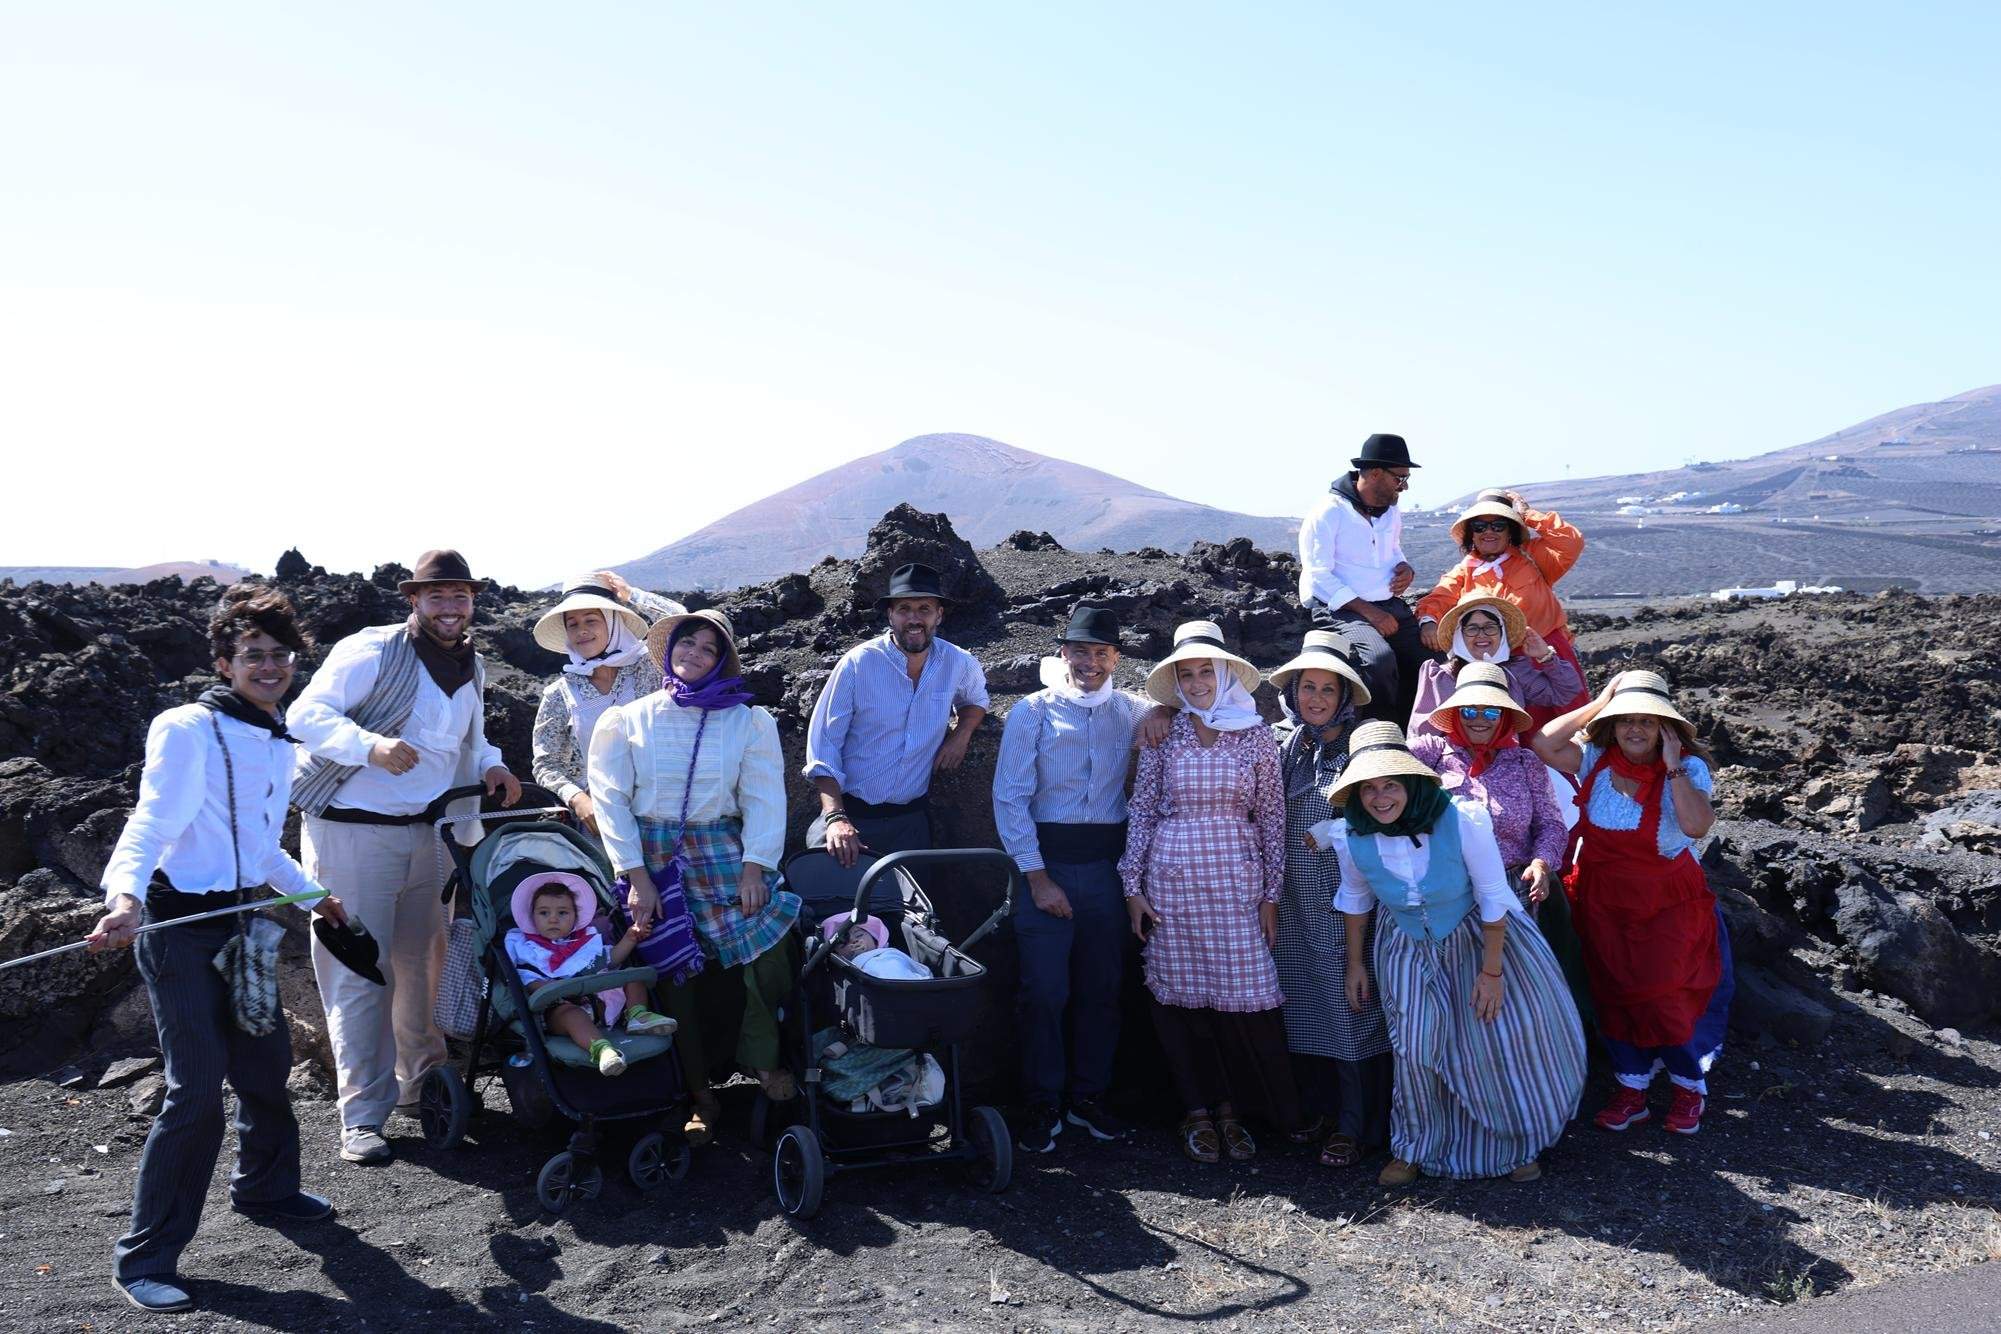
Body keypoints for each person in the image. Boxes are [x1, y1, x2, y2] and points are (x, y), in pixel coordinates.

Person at [89, 585, 348, 1314]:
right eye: (253, 656)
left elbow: (259, 848)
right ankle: (144, 1258)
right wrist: (125, 900)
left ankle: (266, 1187)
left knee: (265, 1066)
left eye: (279, 655)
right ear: (223, 662)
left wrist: (312, 896)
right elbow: (148, 824)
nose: (269, 667)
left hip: (249, 927)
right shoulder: (186, 727)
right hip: (179, 932)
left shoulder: (273, 732)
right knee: (195, 1090)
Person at [289, 549, 521, 1166]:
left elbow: (467, 741)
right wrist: (370, 747)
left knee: (425, 962)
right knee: (360, 969)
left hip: (429, 831)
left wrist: (491, 764)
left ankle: (422, 1088)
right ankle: (361, 1118)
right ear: (413, 600)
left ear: (472, 602)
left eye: (460, 596)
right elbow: (304, 714)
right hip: (351, 831)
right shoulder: (372, 650)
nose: (450, 606)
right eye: (437, 595)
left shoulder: (470, 664)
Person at [1312, 722, 1585, 1186]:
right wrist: (1355, 964)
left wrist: (1492, 972)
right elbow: (1356, 901)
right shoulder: (1352, 837)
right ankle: (1414, 1147)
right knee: (1415, 1048)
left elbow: (1494, 894)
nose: (1380, 798)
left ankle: (1511, 1143)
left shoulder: (1462, 819)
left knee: (1487, 1043)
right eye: (1369, 788)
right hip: (1403, 943)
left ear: (1412, 782)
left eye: (1390, 784)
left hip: (1478, 936)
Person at [590, 608, 799, 1144]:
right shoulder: (627, 720)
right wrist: (636, 878)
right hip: (651, 858)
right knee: (671, 973)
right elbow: (611, 803)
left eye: (708, 648)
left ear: (722, 660)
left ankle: (763, 1061)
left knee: (768, 947)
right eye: (687, 643)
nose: (694, 654)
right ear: (669, 650)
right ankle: (699, 1094)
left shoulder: (749, 721)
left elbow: (762, 797)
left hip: (722, 850)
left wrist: (756, 868)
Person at [1119, 621, 1299, 1164]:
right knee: (1179, 1001)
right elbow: (1143, 810)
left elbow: (1272, 817)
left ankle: (1235, 1110)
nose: (1196, 683)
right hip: (1171, 883)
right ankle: (1196, 1111)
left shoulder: (1257, 735)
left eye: (1205, 671)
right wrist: (1132, 886)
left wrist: (1271, 894)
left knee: (1242, 999)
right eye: (1186, 674)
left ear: (1224, 674)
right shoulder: (1162, 734)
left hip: (1237, 885)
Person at [992, 604, 1161, 1153]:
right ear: (1062, 651)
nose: (1091, 662)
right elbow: (1011, 797)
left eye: (1103, 652)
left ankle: (1090, 1096)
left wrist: (1164, 708)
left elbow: (1188, 700)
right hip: (1048, 867)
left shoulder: (1130, 710)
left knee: (1103, 988)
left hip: (1107, 870)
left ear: (1117, 657)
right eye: (1081, 650)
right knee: (1044, 989)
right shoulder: (1032, 713)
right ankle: (1042, 1100)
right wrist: (1037, 879)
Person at [1531, 670, 1729, 1136]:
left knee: (1666, 995)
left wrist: (1675, 762)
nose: (1635, 729)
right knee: (1613, 991)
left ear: (1667, 726)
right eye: (1626, 720)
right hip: (1602, 897)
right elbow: (1543, 742)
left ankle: (1687, 1090)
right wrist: (1601, 700)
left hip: (1666, 903)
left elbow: (1697, 827)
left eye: (1648, 720)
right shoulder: (1595, 758)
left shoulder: (1689, 771)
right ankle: (1632, 1090)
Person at [1266, 631, 1392, 1169]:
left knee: (1352, 1009)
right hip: (1294, 900)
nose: (1314, 698)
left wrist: (1334, 828)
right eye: (1306, 688)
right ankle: (1318, 1111)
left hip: (1350, 901)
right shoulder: (1285, 744)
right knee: (1303, 1005)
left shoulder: (1366, 743)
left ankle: (1357, 1125)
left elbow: (1387, 808)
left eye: (1326, 688)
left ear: (1346, 694)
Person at [802, 561, 990, 915]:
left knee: (908, 923)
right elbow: (823, 747)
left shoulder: (957, 662)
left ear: (939, 615)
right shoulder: (858, 664)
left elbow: (976, 700)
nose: (914, 618)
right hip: (850, 820)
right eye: (904, 608)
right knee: (836, 922)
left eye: (924, 609)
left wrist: (962, 733)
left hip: (910, 827)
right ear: (890, 614)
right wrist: (836, 819)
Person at [530, 571, 688, 832]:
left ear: (614, 622)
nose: (581, 631)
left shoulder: (650, 667)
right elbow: (546, 764)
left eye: (591, 620)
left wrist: (632, 595)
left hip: (665, 812)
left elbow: (682, 623)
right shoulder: (560, 693)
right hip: (601, 821)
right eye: (572, 624)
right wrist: (576, 798)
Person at [1416, 491, 1589, 728]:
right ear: (1470, 534)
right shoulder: (1463, 571)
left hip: (1547, 654)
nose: (1489, 532)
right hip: (1498, 664)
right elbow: (1439, 597)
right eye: (1479, 526)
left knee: (1566, 727)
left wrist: (1528, 514)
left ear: (1511, 530)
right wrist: (1428, 621)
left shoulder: (1534, 557)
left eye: (1499, 525)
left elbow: (1571, 541)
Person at [1407, 662, 1567, 909]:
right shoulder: (1432, 753)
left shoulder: (1525, 763)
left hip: (1515, 890)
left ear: (1504, 716)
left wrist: (1541, 862)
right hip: (1448, 892)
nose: (1479, 720)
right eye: (1469, 711)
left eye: (1491, 712)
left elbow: (1551, 824)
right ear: (1456, 713)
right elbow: (1385, 759)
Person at [1297, 433, 1425, 725]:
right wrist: (1371, 613)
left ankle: (1417, 731)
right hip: (1341, 608)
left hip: (1386, 605)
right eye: (1400, 478)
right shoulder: (1328, 512)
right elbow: (1318, 575)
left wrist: (1404, 567)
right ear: (1376, 473)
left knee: (1430, 660)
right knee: (1378, 661)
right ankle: (1382, 733)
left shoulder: (1390, 511)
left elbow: (1392, 550)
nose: (1403, 487)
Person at [503, 872, 677, 1076]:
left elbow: (611, 959)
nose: (553, 919)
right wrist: (563, 990)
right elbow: (532, 983)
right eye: (543, 913)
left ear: (576, 917)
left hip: (601, 1001)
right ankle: (603, 1050)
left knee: (632, 976)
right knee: (572, 1015)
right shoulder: (528, 950)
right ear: (532, 917)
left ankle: (637, 1015)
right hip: (560, 1009)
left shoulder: (585, 943)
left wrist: (630, 938)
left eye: (562, 913)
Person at [1406, 591, 1583, 741]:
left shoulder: (1514, 672)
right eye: (1472, 628)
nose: (1481, 635)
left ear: (1502, 633)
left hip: (1508, 763)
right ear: (1459, 635)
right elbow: (1422, 733)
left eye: (1490, 627)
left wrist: (1546, 657)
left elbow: (1565, 692)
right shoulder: (1442, 676)